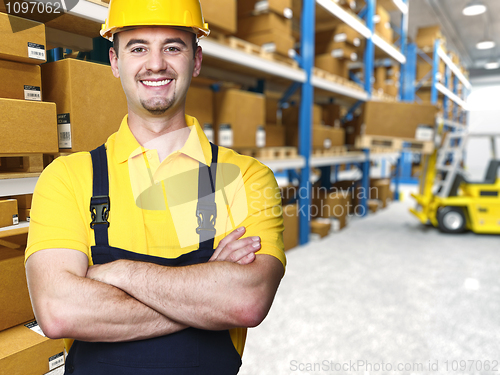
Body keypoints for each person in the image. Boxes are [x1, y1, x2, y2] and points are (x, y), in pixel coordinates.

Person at [24, 0, 286, 373]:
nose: (156, 63)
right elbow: (58, 311)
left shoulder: (246, 177)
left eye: (173, 47)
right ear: (115, 62)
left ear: (196, 60)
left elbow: (247, 301)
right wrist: (206, 298)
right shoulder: (67, 178)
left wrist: (118, 273)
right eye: (138, 47)